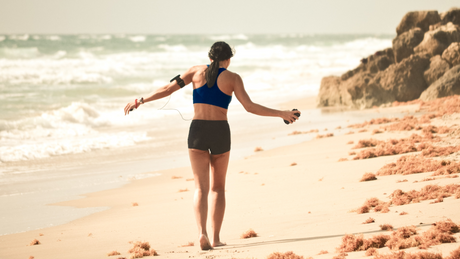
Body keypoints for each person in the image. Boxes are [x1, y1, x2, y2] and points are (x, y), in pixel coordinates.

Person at [124, 41, 300, 250]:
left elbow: (167, 89)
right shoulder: (233, 78)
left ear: (209, 57)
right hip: (220, 132)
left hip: (197, 131)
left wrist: (140, 100)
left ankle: (201, 233)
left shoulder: (194, 72)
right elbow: (250, 107)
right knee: (218, 189)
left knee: (200, 188)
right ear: (228, 59)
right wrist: (282, 113)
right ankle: (216, 238)